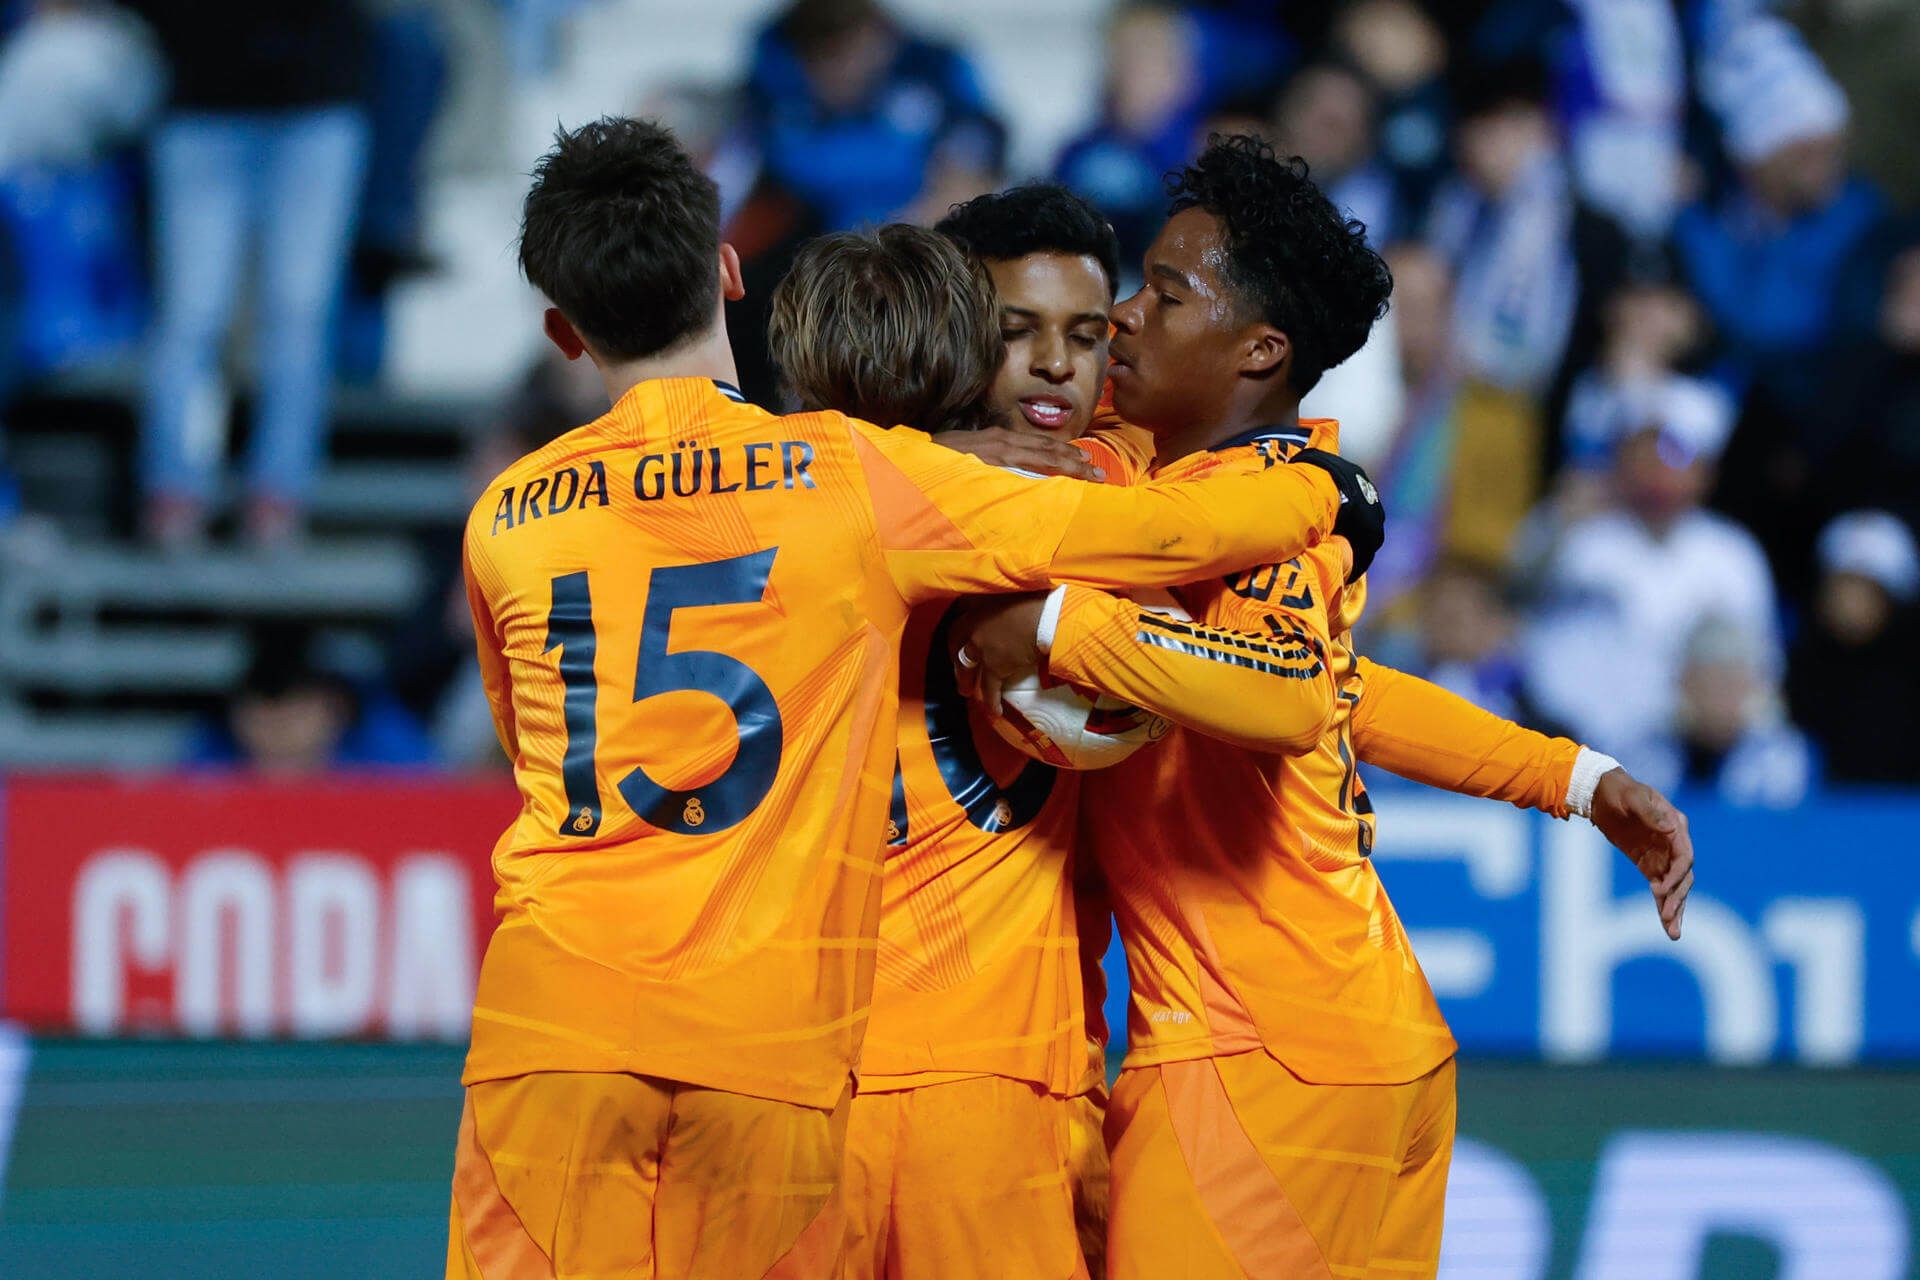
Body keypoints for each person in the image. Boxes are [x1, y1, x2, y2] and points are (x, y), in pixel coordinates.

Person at [446, 117, 1375, 1280]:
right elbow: (1170, 532)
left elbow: (528, 743)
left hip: (557, 1015)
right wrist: (1325, 489)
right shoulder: (854, 483)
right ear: (728, 269)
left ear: (562, 329)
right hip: (776, 1044)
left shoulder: (503, 517)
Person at [954, 136, 1692, 1279]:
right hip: (1363, 1042)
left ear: (1261, 349)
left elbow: (1291, 695)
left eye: (1166, 293)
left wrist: (1056, 630)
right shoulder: (1241, 495)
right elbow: (1344, 688)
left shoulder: (1259, 510)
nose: (1126, 319)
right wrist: (1571, 776)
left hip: (1256, 1060)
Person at [129, 0, 373, 548]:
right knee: (193, 314)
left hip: (316, 101)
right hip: (202, 102)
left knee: (298, 311)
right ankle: (175, 490)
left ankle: (278, 496)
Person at [1524, 376, 1779, 775]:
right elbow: (1532, 637)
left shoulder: (1733, 554)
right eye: (1644, 454)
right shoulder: (1585, 545)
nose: (1658, 472)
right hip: (1583, 749)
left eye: (1674, 457)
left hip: (1698, 756)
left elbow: (1762, 671)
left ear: (1706, 471)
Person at [741, 0, 1005, 231]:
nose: (841, 70)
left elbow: (977, 161)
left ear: (879, 35)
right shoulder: (773, 72)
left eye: (849, 51)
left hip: (922, 244)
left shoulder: (936, 69)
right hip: (811, 249)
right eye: (824, 58)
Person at [1788, 510, 1920, 784]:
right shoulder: (1799, 668)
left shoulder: (1909, 676)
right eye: (1842, 583)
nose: (1850, 600)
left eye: (1866, 587)